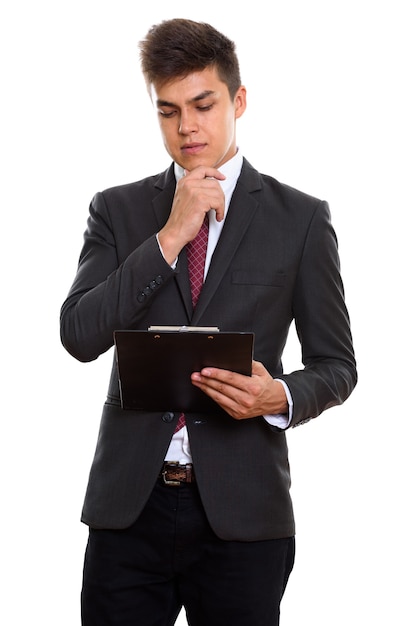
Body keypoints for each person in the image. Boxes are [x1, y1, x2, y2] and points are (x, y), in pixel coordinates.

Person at [60, 18, 357, 626]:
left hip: (244, 517)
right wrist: (169, 236)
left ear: (238, 100)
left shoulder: (300, 219)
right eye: (168, 111)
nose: (187, 127)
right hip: (128, 513)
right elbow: (79, 334)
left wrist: (279, 396)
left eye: (203, 104)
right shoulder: (117, 210)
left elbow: (337, 365)